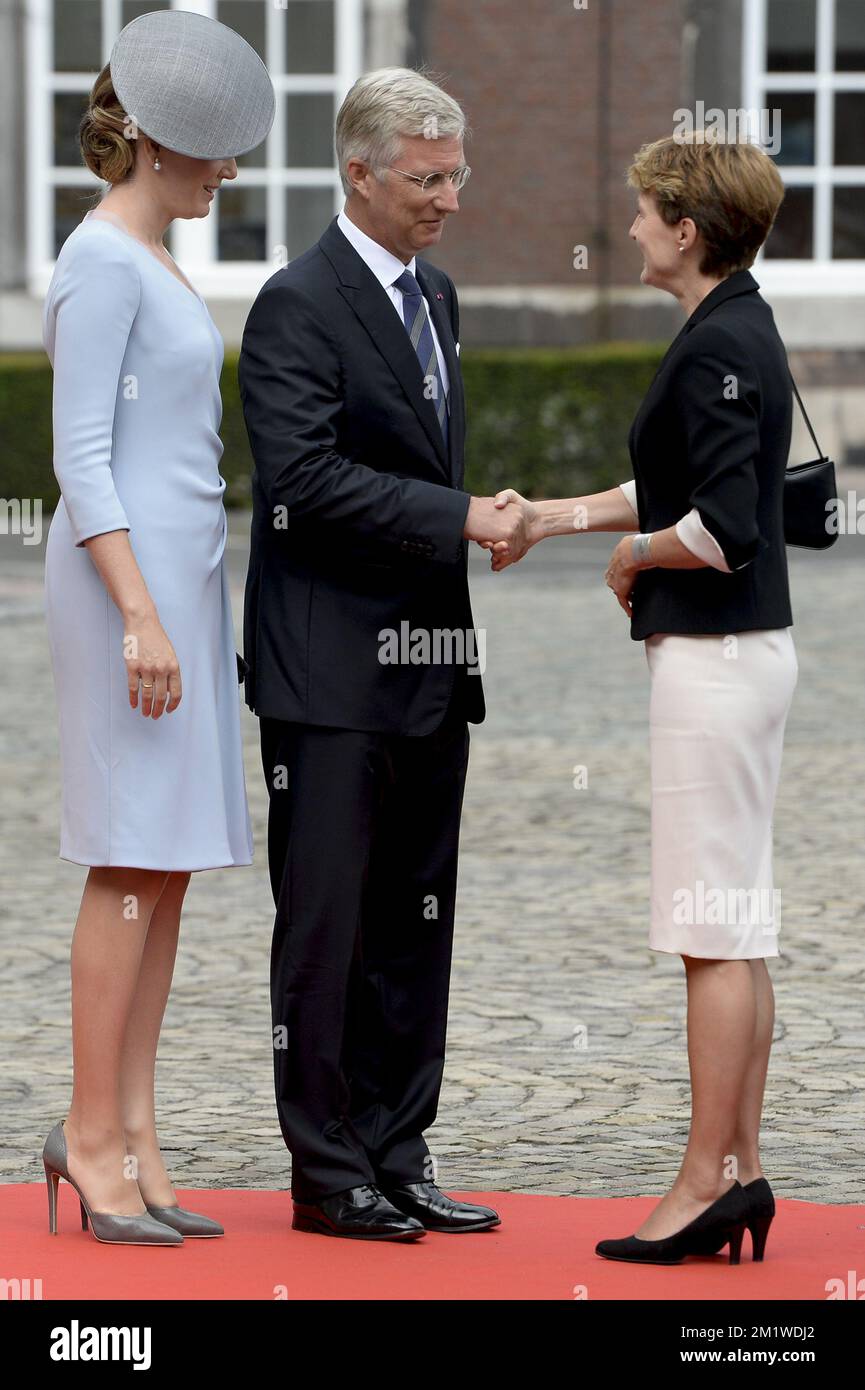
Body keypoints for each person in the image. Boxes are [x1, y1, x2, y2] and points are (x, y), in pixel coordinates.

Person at [489, 132, 795, 1265]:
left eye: (642, 212)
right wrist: (554, 519)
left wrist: (634, 561)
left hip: (714, 662)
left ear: (686, 227)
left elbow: (720, 526)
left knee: (709, 932)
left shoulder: (719, 343)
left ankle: (703, 1180)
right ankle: (741, 1168)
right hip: (743, 657)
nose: (626, 229)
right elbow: (671, 484)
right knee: (736, 928)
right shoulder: (732, 325)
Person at [238, 66, 533, 1240]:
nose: (448, 197)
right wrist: (456, 514)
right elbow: (300, 483)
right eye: (426, 178)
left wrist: (477, 521)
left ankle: (398, 1150)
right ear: (356, 174)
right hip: (325, 676)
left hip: (424, 665)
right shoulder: (293, 303)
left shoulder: (440, 294)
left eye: (457, 173)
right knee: (326, 927)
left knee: (416, 919)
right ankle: (325, 1170)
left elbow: (416, 468)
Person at [40, 10, 273, 1246]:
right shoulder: (99, 263)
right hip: (128, 592)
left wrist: (172, 607)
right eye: (212, 153)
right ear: (154, 147)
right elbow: (80, 459)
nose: (227, 172)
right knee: (127, 856)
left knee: (165, 865)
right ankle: (89, 1132)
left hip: (175, 590)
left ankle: (133, 1128)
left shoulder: (151, 254)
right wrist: (139, 615)